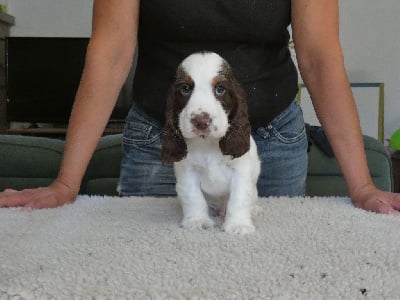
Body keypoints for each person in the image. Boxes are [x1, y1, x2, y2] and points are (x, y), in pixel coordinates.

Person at [1, 0, 400, 214]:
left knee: (264, 272)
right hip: (162, 141)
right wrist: (66, 184)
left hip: (268, 140)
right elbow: (110, 53)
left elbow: (319, 56)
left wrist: (363, 187)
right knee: (149, 273)